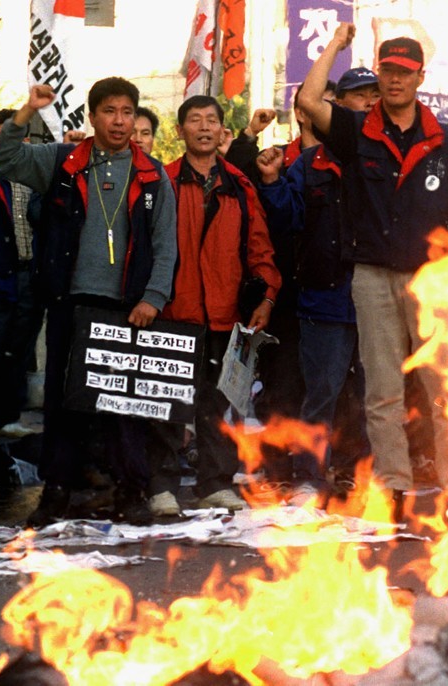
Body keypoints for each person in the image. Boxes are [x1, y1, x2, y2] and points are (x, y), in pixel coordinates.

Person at [297, 25, 448, 515]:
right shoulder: (357, 132)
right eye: (388, 71)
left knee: (445, 388)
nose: (395, 81)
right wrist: (334, 45)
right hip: (372, 276)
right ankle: (393, 484)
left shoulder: (445, 140)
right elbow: (311, 101)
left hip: (433, 278)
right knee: (382, 391)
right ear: (380, 74)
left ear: (421, 77)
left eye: (404, 73)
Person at [0, 78, 178, 526]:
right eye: (110, 111)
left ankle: (130, 492)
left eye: (127, 112)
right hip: (69, 303)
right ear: (92, 116)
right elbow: (5, 157)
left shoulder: (152, 175)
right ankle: (56, 493)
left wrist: (152, 298)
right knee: (62, 401)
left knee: (123, 406)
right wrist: (27, 110)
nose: (120, 120)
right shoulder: (62, 162)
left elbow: (166, 244)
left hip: (128, 309)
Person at [146, 95, 281, 516]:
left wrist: (268, 298)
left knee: (218, 405)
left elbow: (261, 250)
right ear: (181, 129)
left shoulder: (241, 186)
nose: (203, 127)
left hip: (226, 314)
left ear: (224, 131)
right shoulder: (161, 181)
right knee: (165, 404)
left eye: (211, 121)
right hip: (173, 312)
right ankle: (160, 486)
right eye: (194, 120)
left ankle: (215, 483)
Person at [255, 68, 379, 505]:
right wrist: (271, 182)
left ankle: (353, 472)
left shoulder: (382, 160)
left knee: (366, 395)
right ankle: (310, 476)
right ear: (337, 106)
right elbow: (285, 220)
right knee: (322, 392)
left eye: (373, 96)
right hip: (322, 298)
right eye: (357, 97)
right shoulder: (308, 165)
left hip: (371, 297)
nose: (366, 103)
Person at [0, 110, 45, 435]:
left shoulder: (38, 176)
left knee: (22, 347)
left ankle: (10, 417)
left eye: (17, 135)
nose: (4, 140)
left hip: (31, 275)